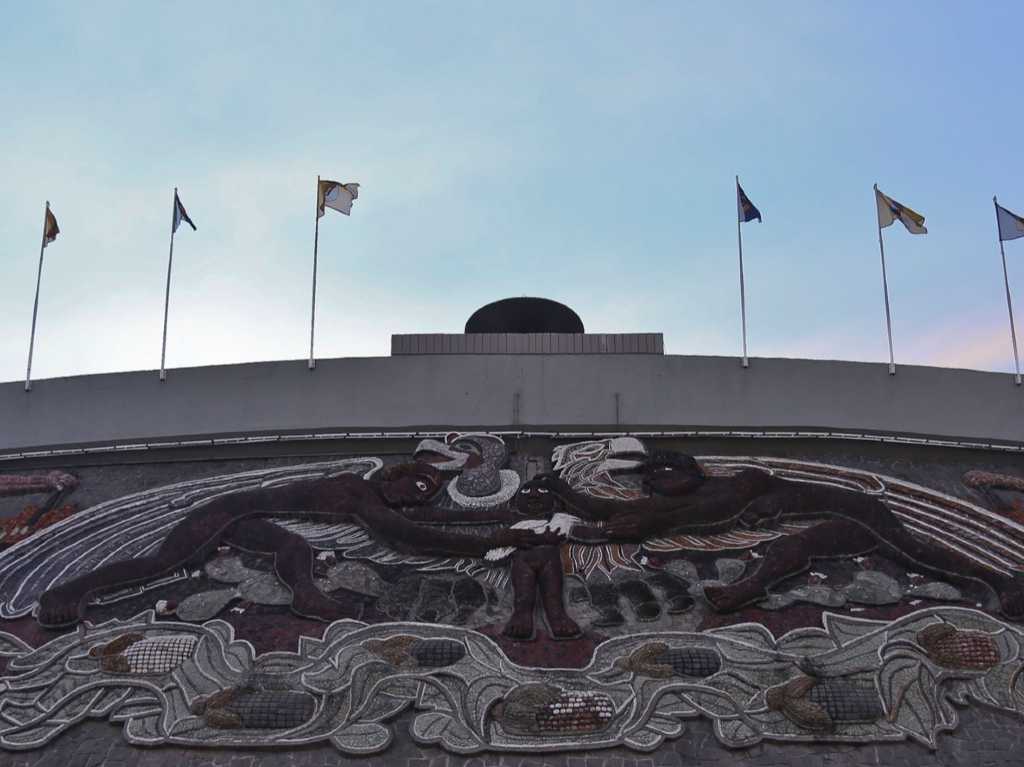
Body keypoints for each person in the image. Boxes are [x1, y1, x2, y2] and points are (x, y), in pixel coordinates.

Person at [36, 463, 556, 628]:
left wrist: (502, 513)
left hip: (253, 521)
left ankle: (305, 594)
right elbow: (411, 533)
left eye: (427, 491)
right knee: (162, 562)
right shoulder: (357, 492)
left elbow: (430, 516)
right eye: (416, 485)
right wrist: (493, 540)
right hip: (226, 514)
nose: (419, 495)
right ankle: (67, 593)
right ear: (395, 477)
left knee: (293, 551)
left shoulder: (369, 496)